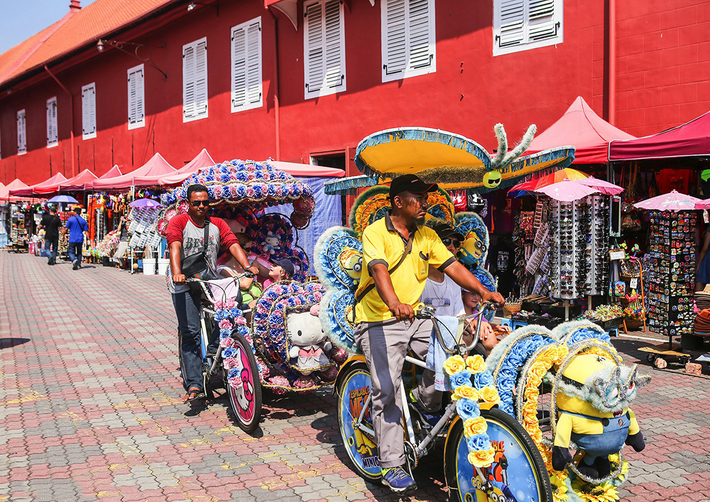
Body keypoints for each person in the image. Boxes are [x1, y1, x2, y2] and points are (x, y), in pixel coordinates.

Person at [353, 174, 504, 494]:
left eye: (425, 198)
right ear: (398, 202)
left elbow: (453, 266)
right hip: (378, 319)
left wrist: (482, 290)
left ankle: (424, 402)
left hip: (416, 316)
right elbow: (379, 270)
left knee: (454, 350)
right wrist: (394, 303)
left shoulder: (426, 235)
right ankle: (392, 463)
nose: (424, 203)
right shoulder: (375, 232)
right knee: (386, 390)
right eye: (418, 198)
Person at [166, 184, 257, 404]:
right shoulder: (179, 222)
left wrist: (247, 266)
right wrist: (177, 273)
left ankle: (215, 349)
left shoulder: (217, 224)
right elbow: (175, 247)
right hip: (184, 281)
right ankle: (195, 383)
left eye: (205, 202)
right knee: (190, 331)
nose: (201, 206)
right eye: (196, 203)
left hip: (208, 278)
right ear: (187, 204)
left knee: (232, 303)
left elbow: (232, 244)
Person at [420, 222, 466, 316]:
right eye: (446, 241)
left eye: (456, 244)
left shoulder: (455, 281)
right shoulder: (418, 280)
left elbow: (460, 316)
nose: (452, 248)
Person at [696, 227, 710, 291]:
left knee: (701, 280)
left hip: (708, 259)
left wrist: (699, 263)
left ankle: (698, 297)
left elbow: (705, 248)